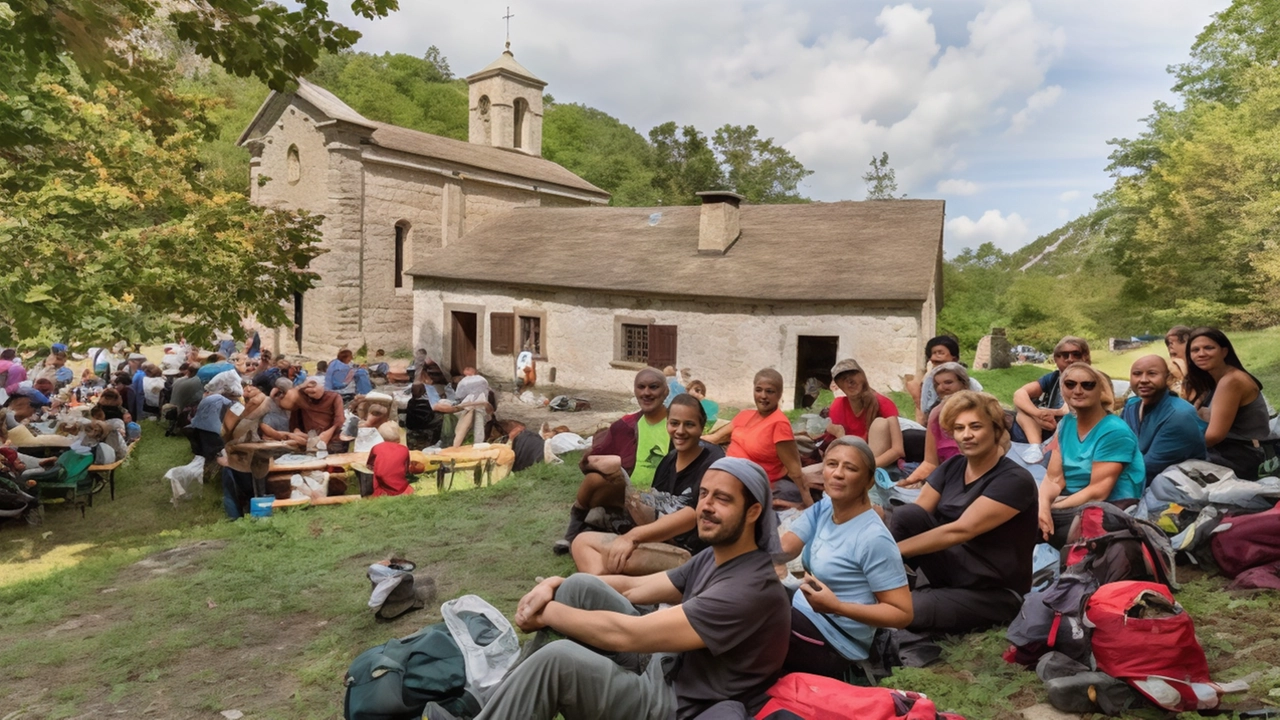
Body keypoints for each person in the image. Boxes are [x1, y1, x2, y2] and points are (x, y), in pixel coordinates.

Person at [455, 458, 791, 720]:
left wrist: (547, 613)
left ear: (753, 512)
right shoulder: (715, 558)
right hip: (665, 666)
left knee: (559, 661)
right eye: (703, 494)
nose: (705, 506)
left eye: (722, 499)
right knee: (580, 586)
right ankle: (498, 702)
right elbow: (633, 588)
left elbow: (628, 635)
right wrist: (557, 584)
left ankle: (503, 704)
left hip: (674, 704)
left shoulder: (750, 590)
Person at [890, 390, 1039, 635]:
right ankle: (880, 586)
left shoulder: (1014, 480)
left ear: (996, 430)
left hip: (993, 591)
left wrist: (889, 552)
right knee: (907, 516)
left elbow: (961, 530)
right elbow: (917, 513)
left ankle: (894, 597)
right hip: (952, 569)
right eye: (959, 428)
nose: (966, 435)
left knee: (906, 611)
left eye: (975, 426)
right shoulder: (953, 466)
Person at [776, 436, 912, 678]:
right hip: (803, 612)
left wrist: (837, 607)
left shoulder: (872, 538)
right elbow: (787, 548)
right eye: (832, 464)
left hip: (834, 639)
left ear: (868, 481)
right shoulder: (825, 507)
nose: (838, 474)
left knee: (745, 622)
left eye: (850, 468)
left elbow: (901, 613)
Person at [572, 394, 725, 576]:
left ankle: (609, 584)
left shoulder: (713, 462)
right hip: (658, 541)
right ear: (667, 424)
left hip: (688, 554)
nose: (680, 431)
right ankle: (605, 584)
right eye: (674, 423)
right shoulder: (669, 460)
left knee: (606, 555)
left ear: (702, 427)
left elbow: (693, 515)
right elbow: (655, 503)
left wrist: (632, 537)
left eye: (689, 424)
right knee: (581, 542)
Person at [553, 368, 670, 555]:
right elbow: (588, 461)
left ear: (666, 391)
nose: (646, 393)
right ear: (635, 391)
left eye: (653, 387)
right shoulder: (625, 425)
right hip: (627, 495)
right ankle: (574, 530)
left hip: (665, 499)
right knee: (595, 479)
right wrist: (604, 463)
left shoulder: (676, 423)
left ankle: (607, 523)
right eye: (641, 387)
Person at [1038, 364, 1145, 547]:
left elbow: (1098, 492)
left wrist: (1051, 508)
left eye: (1087, 385)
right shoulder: (1067, 423)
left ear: (1101, 390)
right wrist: (1041, 505)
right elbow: (1054, 478)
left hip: (1110, 506)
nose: (1078, 391)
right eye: (1070, 384)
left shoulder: (1113, 431)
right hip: (1071, 499)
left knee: (1030, 522)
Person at [705, 368, 809, 508]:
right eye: (758, 390)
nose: (763, 396)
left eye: (770, 391)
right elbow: (714, 438)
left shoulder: (779, 424)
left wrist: (808, 504)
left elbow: (795, 470)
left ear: (779, 394)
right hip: (727, 472)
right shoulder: (745, 415)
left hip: (752, 484)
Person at [800, 359, 904, 495]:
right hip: (844, 462)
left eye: (853, 375)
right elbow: (834, 448)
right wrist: (837, 433)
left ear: (862, 377)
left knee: (880, 424)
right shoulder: (837, 405)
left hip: (873, 462)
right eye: (843, 379)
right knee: (800, 476)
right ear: (837, 385)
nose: (849, 381)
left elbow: (898, 450)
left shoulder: (884, 404)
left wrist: (866, 466)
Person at [1183, 327, 1275, 480]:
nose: (1201, 353)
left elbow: (1213, 437)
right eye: (1195, 350)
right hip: (1230, 451)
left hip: (1242, 457)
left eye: (1208, 348)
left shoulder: (1232, 381)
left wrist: (1176, 446)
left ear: (1224, 352)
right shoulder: (1215, 380)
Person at [1122, 355, 1208, 482]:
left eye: (1152, 374)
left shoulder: (1179, 415)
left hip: (1173, 488)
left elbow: (1150, 467)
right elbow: (1117, 447)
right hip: (1131, 479)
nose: (1143, 380)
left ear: (1168, 378)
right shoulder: (1132, 407)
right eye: (1137, 374)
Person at [1011, 336, 1092, 462]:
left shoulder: (1091, 379)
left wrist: (1051, 413)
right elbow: (1019, 394)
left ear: (1085, 357)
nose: (1070, 359)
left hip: (1076, 425)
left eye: (1076, 354)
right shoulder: (1053, 378)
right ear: (1056, 359)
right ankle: (1035, 447)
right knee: (1023, 411)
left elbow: (1072, 408)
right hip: (1050, 422)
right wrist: (1038, 413)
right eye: (1065, 355)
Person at [899, 363, 969, 487]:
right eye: (937, 385)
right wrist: (908, 482)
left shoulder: (980, 410)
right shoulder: (936, 414)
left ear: (963, 384)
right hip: (946, 478)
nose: (942, 388)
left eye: (948, 382)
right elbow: (930, 463)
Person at [906, 336, 983, 424]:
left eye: (940, 353)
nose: (935, 356)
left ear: (954, 358)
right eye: (933, 353)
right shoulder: (929, 381)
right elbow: (925, 410)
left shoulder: (971, 383)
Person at [289, 377, 347, 453]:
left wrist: (328, 434)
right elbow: (294, 422)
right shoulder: (302, 398)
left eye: (314, 388)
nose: (312, 391)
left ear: (322, 386)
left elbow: (339, 421)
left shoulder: (334, 397)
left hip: (331, 441)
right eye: (309, 390)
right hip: (309, 440)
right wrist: (297, 431)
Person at [366, 422, 414, 497]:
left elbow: (369, 465)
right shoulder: (404, 449)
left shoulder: (376, 448)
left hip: (381, 485)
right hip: (399, 486)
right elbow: (406, 468)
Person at [404, 383, 443, 449]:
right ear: (424, 391)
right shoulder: (428, 403)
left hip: (412, 428)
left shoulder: (410, 402)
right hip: (426, 428)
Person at [1164, 325, 1192, 390]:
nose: (1170, 346)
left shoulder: (1201, 368)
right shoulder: (1164, 369)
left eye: (1180, 341)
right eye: (1168, 343)